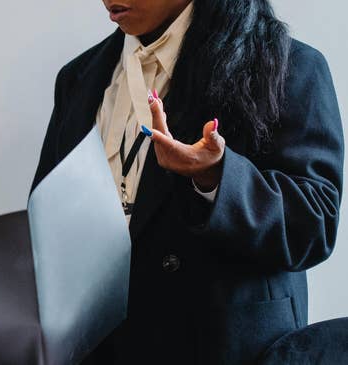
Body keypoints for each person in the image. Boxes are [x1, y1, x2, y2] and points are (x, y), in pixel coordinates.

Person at [32, 0, 343, 364]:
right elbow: (45, 219)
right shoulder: (77, 78)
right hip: (98, 349)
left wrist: (216, 177)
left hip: (223, 348)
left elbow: (315, 223)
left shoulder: (289, 65)